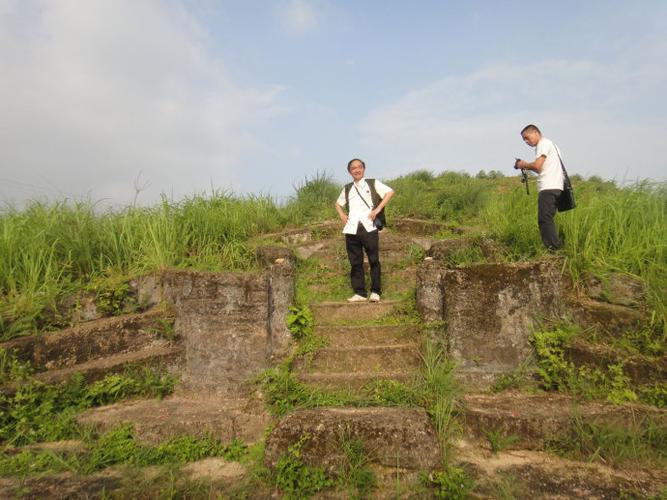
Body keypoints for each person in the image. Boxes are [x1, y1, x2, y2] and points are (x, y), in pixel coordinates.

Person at [335, 158, 394, 302]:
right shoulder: (347, 188)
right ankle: (360, 293)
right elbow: (337, 203)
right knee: (355, 261)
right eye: (353, 168)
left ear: (364, 169)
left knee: (374, 260)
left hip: (369, 226)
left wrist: (378, 209)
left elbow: (390, 192)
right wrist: (342, 214)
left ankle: (375, 291)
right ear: (350, 172)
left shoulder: (373, 183)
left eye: (359, 167)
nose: (357, 170)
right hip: (351, 228)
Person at [514, 124, 564, 250]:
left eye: (527, 137)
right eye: (524, 140)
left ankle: (554, 249)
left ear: (536, 132)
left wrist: (523, 164)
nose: (526, 141)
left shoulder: (543, 143)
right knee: (548, 217)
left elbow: (537, 166)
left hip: (548, 187)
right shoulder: (553, 145)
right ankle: (556, 247)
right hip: (557, 186)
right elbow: (541, 168)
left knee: (544, 219)